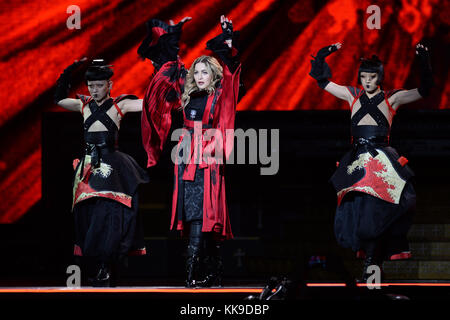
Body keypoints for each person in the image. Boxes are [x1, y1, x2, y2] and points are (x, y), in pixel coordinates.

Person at [309, 43, 433, 281]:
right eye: (363, 77)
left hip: (382, 160)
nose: (367, 81)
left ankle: (371, 264)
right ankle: (371, 263)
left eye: (372, 77)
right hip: (357, 161)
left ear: (380, 77)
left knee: (381, 212)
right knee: (359, 214)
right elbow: (323, 82)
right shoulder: (352, 95)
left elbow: (423, 90)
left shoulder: (391, 99)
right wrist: (324, 54)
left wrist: (424, 60)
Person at [138, 15, 241, 287]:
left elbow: (230, 72)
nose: (199, 76)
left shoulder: (220, 95)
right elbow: (166, 71)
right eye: (196, 72)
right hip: (186, 160)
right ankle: (206, 273)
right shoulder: (186, 94)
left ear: (214, 75)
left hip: (208, 161)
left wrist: (227, 35)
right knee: (195, 214)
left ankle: (198, 274)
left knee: (206, 216)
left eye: (205, 72)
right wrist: (172, 36)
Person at [54, 58, 150, 286]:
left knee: (110, 215)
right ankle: (100, 265)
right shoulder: (83, 105)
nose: (94, 90)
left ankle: (107, 264)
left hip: (113, 165)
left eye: (99, 85)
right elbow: (58, 99)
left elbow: (149, 104)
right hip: (88, 166)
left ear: (110, 85)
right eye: (91, 85)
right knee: (87, 216)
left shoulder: (120, 104)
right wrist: (68, 72)